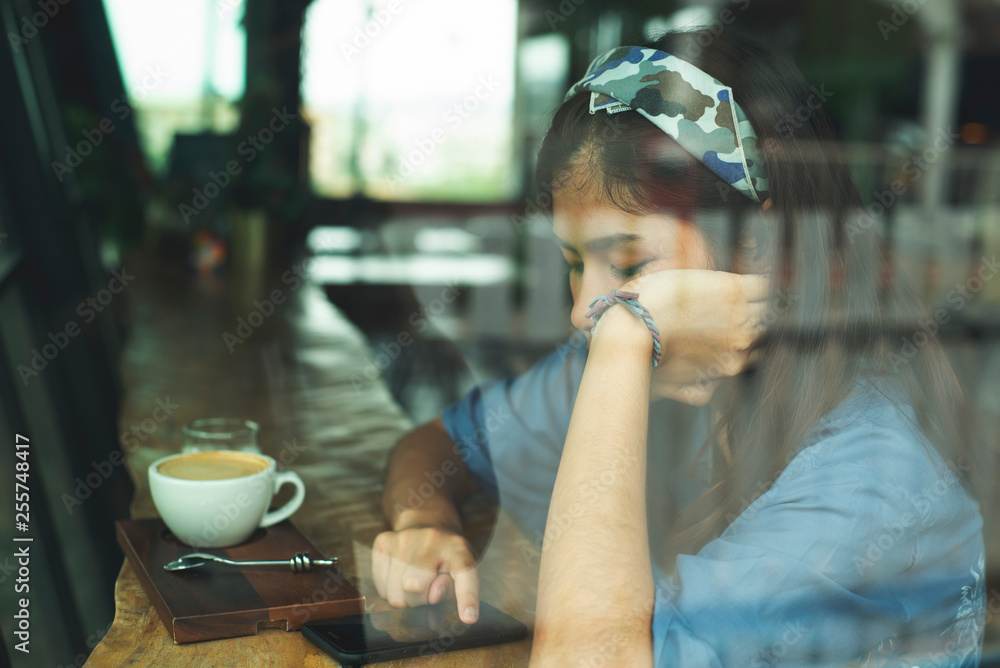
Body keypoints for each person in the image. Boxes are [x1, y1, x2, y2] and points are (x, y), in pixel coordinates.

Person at [373, 28, 986, 667]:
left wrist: (626, 336)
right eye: (576, 263)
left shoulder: (872, 485)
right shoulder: (651, 365)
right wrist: (425, 527)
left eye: (629, 260)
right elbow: (440, 446)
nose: (584, 310)